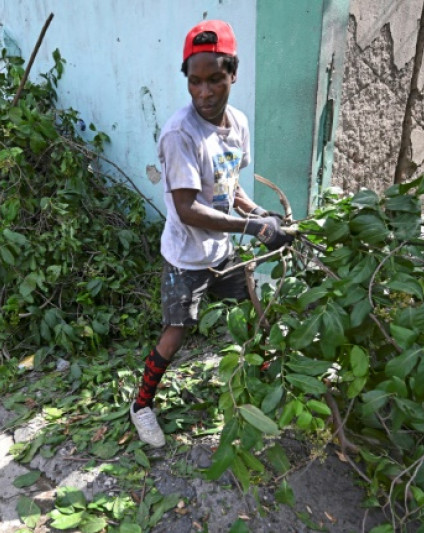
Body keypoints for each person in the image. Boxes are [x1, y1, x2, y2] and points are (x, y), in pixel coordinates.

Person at [130, 20, 294, 448]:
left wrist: (263, 213)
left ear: (232, 75)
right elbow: (187, 209)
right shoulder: (180, 135)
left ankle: (265, 384)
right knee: (176, 332)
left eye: (215, 80)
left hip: (221, 250)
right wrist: (254, 227)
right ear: (187, 80)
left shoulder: (236, 123)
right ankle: (141, 405)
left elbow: (230, 186)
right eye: (195, 81)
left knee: (254, 314)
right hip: (186, 256)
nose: (204, 92)